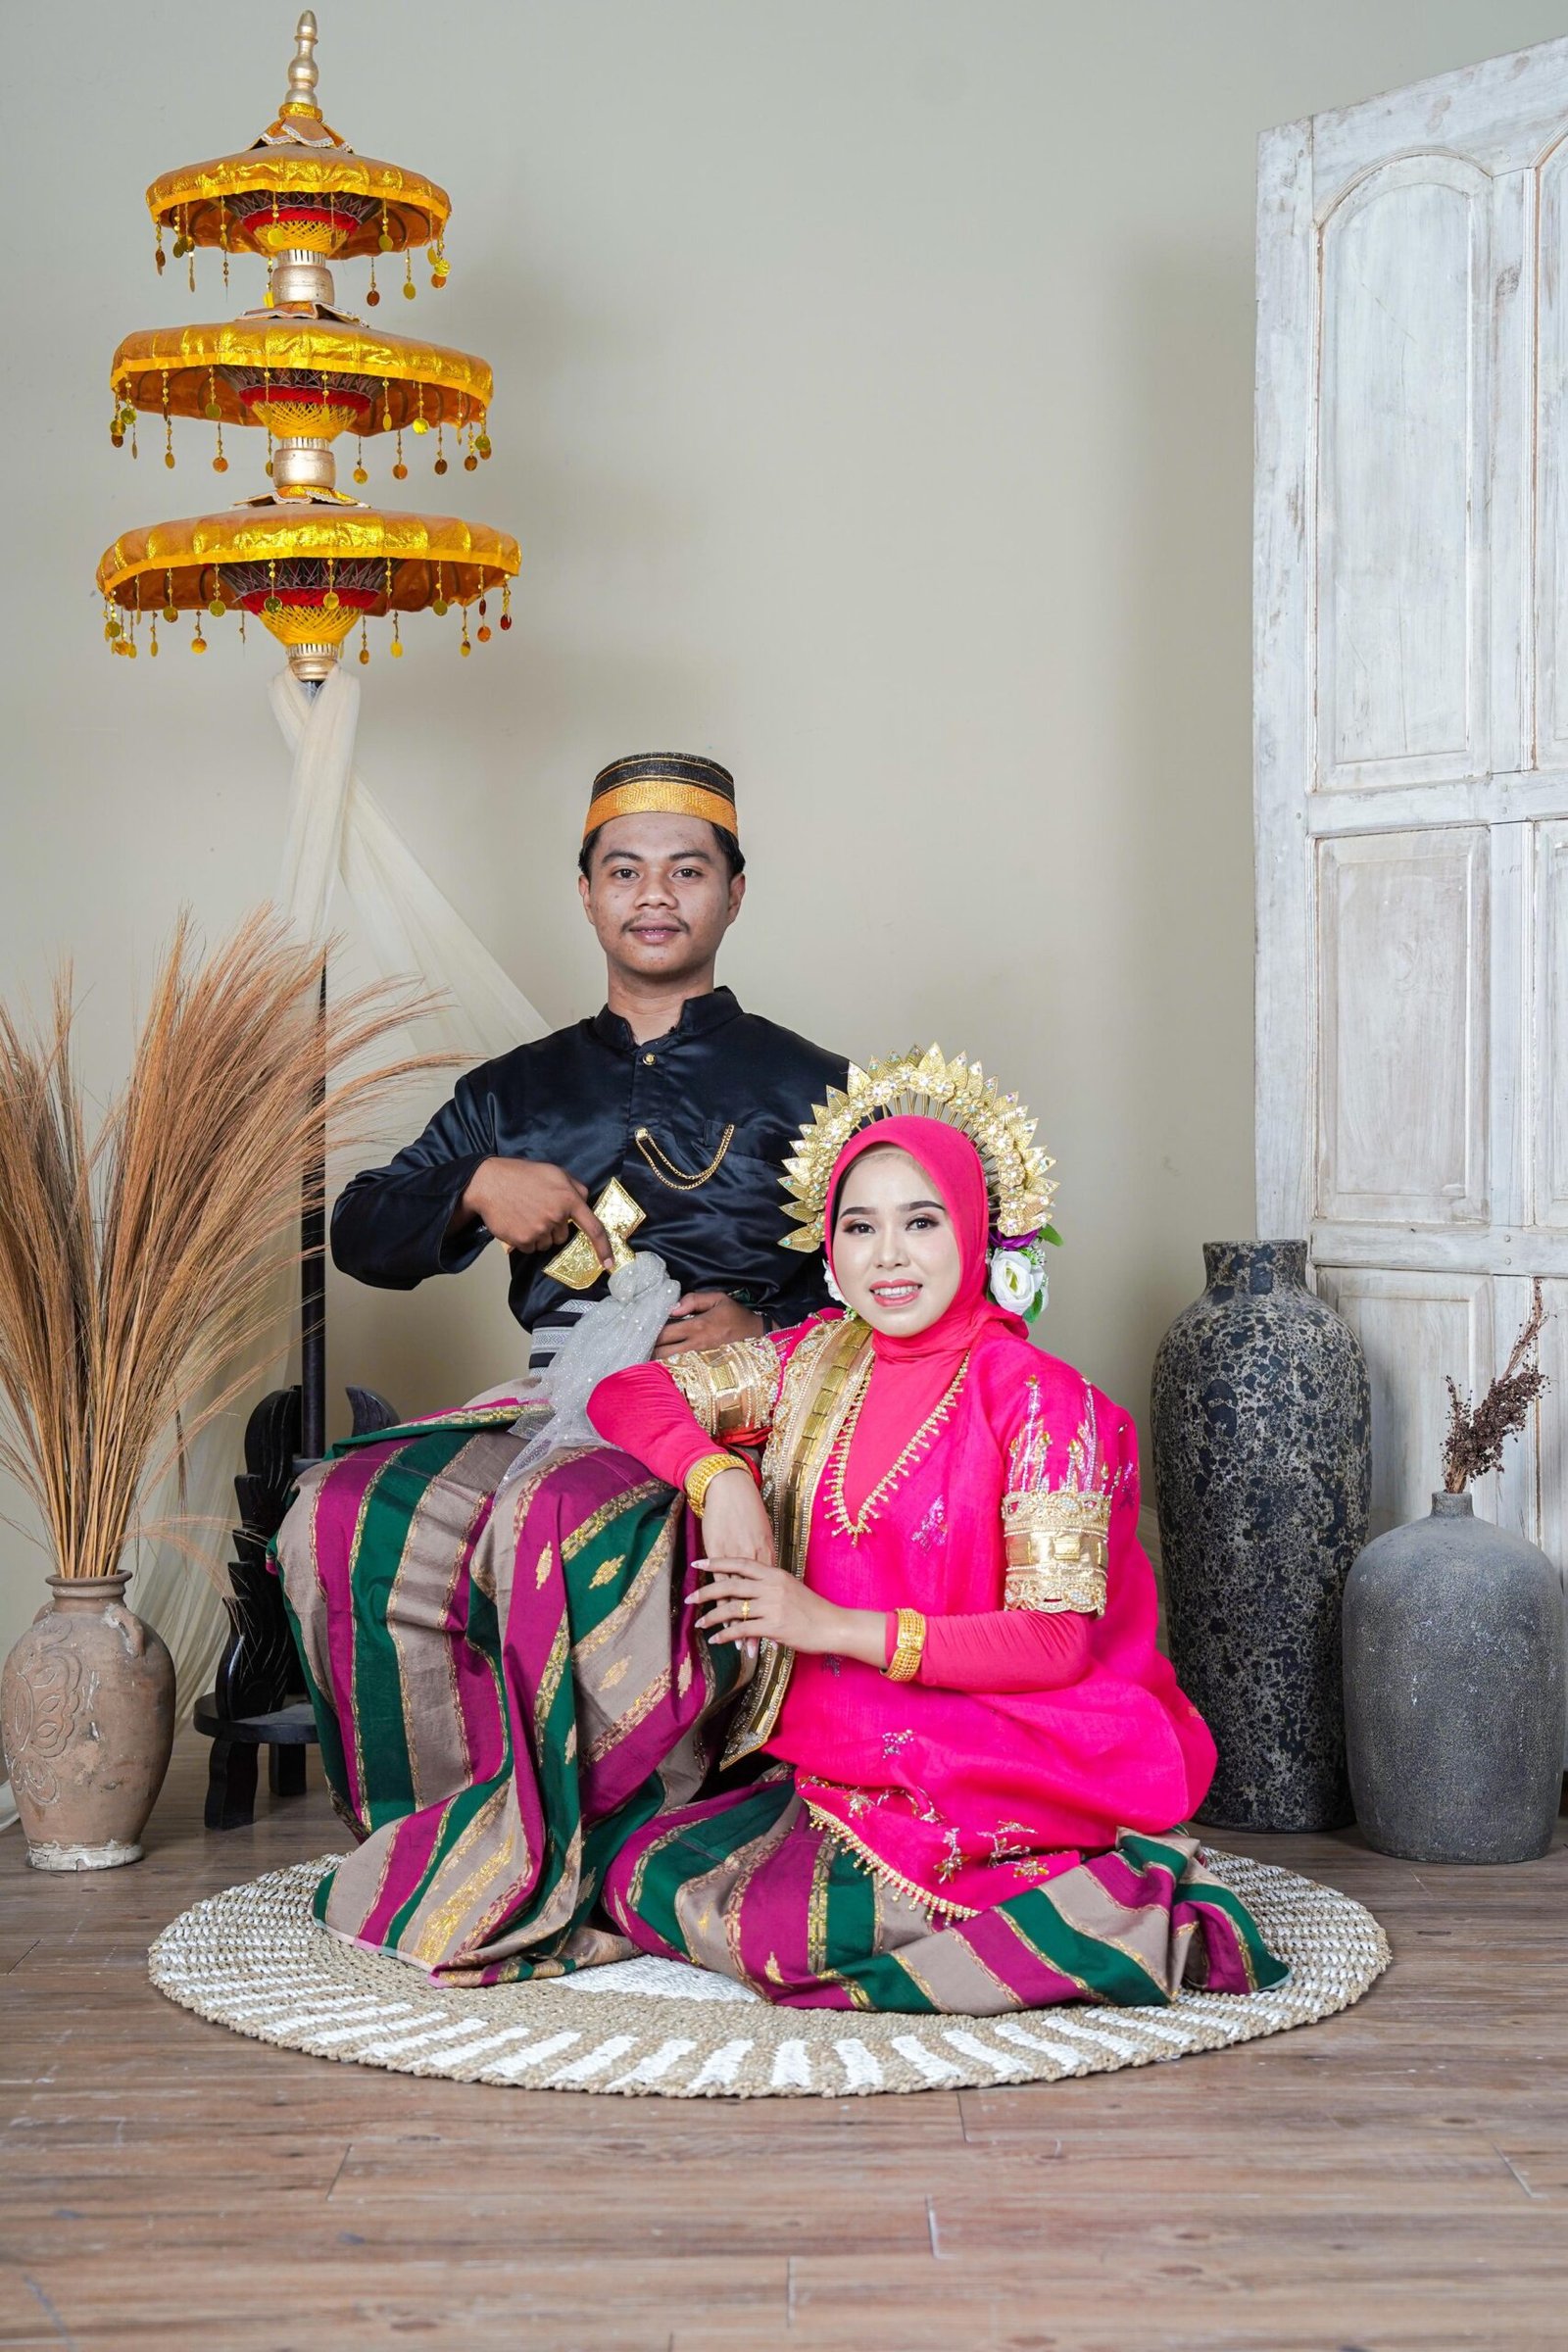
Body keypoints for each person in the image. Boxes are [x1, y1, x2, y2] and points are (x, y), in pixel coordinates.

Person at [277, 1049, 1285, 2012]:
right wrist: (719, 1477)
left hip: (1008, 1744)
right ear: (829, 1247)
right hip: (842, 1753)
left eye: (922, 1222)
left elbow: (1054, 1641)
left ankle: (1102, 1911)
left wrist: (827, 1625)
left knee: (775, 1930)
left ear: (978, 1231)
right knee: (633, 1871)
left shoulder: (1044, 1403)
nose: (889, 1256)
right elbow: (633, 1393)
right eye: (860, 1227)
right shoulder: (814, 1360)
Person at [330, 751, 847, 1368]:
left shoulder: (821, 1088)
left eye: (686, 872)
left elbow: (919, 1272)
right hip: (555, 1409)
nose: (654, 896)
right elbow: (357, 1235)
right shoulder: (509, 1090)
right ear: (588, 894)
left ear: (733, 895)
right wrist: (474, 1186)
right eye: (625, 872)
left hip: (762, 1405)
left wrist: (772, 1331)